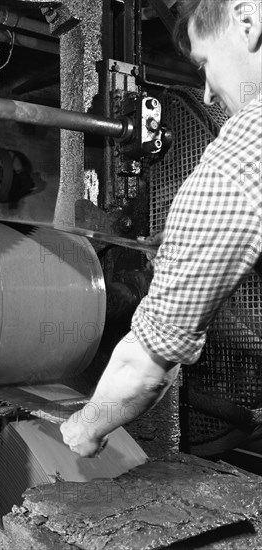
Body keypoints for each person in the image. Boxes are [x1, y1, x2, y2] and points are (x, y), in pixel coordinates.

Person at [61, 0, 262, 457]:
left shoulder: (237, 160)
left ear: (247, 20)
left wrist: (87, 425)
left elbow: (145, 368)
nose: (207, 93)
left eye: (205, 64)